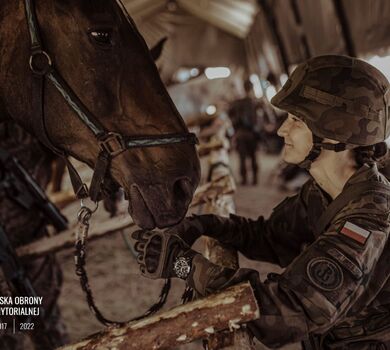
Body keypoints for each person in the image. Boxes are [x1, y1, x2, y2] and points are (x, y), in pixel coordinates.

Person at [133, 55, 390, 349]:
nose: (282, 130)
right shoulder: (323, 192)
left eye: (296, 120)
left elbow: (283, 314)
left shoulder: (370, 217)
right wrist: (202, 224)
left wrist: (183, 265)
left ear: (335, 133)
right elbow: (270, 238)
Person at [228, 80, 261, 185]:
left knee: (242, 158)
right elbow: (258, 119)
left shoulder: (237, 102)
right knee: (253, 156)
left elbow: (230, 115)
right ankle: (255, 179)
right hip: (251, 134)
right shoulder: (254, 102)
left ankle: (244, 180)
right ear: (251, 88)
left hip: (241, 133)